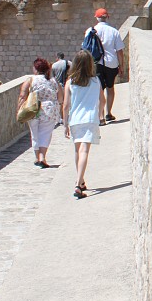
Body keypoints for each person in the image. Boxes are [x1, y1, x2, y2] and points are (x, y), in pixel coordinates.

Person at [62, 49, 105, 199]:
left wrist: (65, 123)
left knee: (77, 150)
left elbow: (66, 105)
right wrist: (100, 114)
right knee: (85, 151)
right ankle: (78, 184)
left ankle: (80, 181)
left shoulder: (70, 82)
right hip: (90, 119)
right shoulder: (95, 81)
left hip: (75, 119)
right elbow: (102, 100)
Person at [17, 57, 63, 168]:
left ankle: (37, 158)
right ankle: (42, 158)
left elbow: (22, 96)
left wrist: (19, 110)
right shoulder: (53, 81)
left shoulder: (31, 80)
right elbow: (60, 98)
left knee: (35, 134)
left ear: (35, 68)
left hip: (34, 109)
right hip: (49, 110)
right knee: (45, 134)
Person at [85, 8, 124, 124]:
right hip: (111, 63)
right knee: (110, 88)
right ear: (108, 17)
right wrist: (121, 66)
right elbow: (119, 51)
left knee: (99, 89)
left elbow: (86, 49)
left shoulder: (90, 31)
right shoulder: (114, 32)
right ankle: (109, 113)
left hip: (96, 63)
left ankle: (101, 117)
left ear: (96, 18)